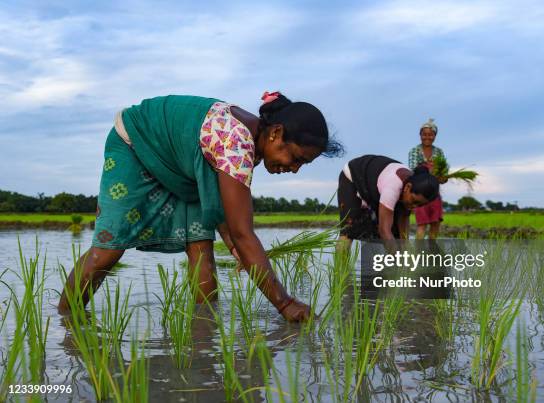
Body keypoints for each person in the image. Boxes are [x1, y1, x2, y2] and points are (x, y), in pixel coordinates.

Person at [58, 91, 343, 322]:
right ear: (275, 133)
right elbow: (243, 233)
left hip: (184, 167)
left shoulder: (249, 143)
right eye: (295, 158)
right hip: (135, 142)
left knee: (200, 245)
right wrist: (285, 303)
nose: (293, 169)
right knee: (109, 248)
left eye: (301, 165)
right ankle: (64, 322)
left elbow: (227, 216)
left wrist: (235, 247)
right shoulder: (237, 144)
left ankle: (203, 335)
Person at [337, 154, 439, 246]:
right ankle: (340, 267)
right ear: (407, 187)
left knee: (395, 235)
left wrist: (406, 251)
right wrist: (400, 262)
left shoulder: (410, 191)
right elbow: (384, 230)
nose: (414, 207)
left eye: (420, 205)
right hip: (354, 176)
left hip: (374, 187)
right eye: (414, 201)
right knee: (348, 231)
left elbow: (403, 226)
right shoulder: (392, 187)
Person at [408, 119, 447, 239]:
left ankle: (431, 252)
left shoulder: (439, 152)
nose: (427, 137)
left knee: (435, 223)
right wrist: (430, 171)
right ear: (420, 135)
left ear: (435, 136)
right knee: (422, 224)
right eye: (424, 134)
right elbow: (414, 170)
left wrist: (443, 177)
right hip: (420, 192)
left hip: (434, 193)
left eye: (430, 134)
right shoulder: (414, 151)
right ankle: (419, 254)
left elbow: (442, 172)